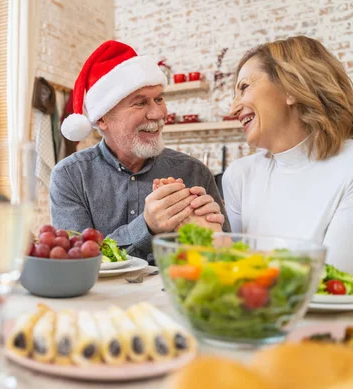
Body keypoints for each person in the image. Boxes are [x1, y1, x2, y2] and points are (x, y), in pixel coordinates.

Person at [50, 40, 229, 263]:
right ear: (103, 118)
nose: (158, 113)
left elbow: (224, 263)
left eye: (159, 99)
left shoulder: (195, 173)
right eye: (140, 103)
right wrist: (146, 226)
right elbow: (78, 263)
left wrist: (213, 240)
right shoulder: (70, 176)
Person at [223, 36, 353, 273]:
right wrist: (211, 238)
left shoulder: (349, 167)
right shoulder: (239, 176)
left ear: (291, 88)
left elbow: (332, 283)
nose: (233, 109)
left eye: (244, 88)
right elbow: (232, 272)